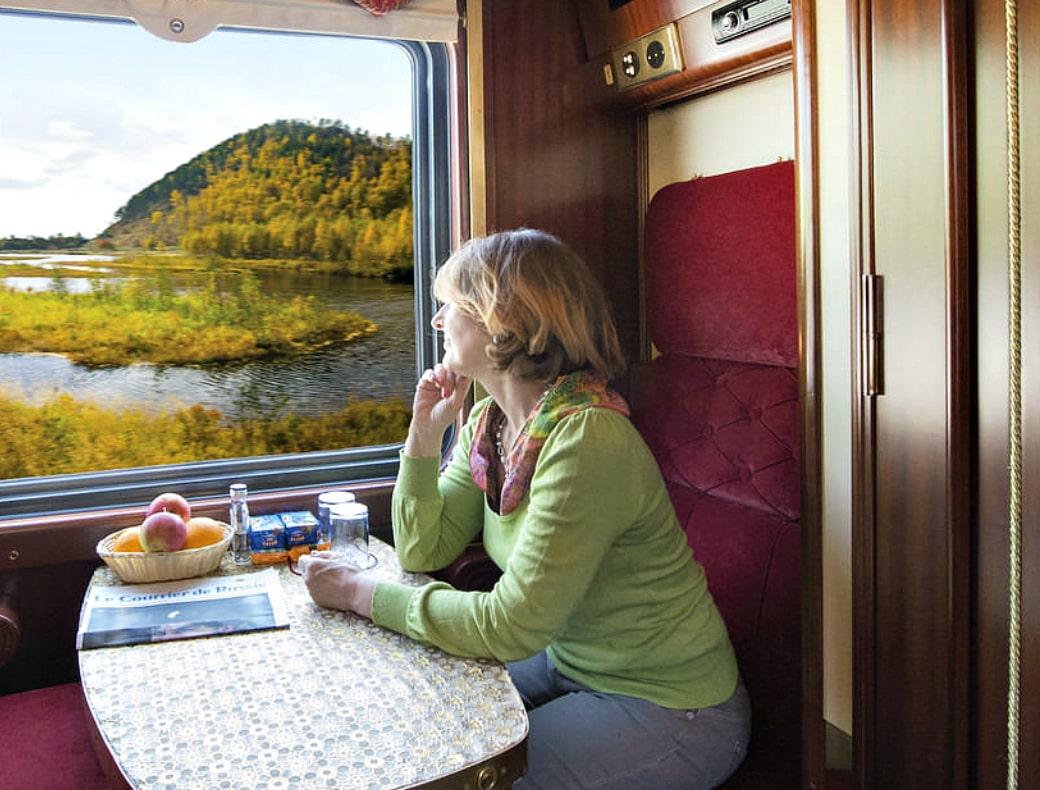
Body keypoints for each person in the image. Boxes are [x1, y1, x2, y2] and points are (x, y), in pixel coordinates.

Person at [299, 229, 749, 789]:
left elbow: (510, 625)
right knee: (430, 724)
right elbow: (423, 548)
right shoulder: (491, 426)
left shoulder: (586, 438)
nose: (438, 321)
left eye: (453, 306)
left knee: (470, 777)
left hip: (672, 706)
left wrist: (357, 594)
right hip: (568, 660)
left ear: (503, 322)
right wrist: (422, 435)